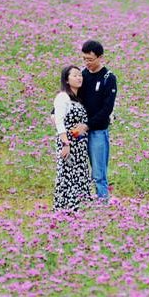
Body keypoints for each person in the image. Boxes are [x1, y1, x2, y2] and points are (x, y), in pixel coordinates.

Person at [77, 40, 117, 201]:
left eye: (90, 59)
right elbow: (70, 94)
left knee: (99, 172)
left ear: (101, 58)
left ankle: (103, 204)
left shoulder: (108, 78)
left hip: (97, 131)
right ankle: (81, 201)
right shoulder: (82, 75)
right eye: (84, 59)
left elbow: (107, 109)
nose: (87, 63)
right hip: (79, 131)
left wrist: (88, 125)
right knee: (79, 169)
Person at [52, 65, 92, 211]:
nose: (79, 77)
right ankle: (65, 210)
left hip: (80, 144)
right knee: (67, 175)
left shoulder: (79, 99)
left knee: (80, 174)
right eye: (74, 75)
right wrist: (65, 143)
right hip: (68, 142)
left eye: (80, 75)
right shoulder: (63, 97)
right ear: (67, 80)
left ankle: (80, 210)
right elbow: (58, 120)